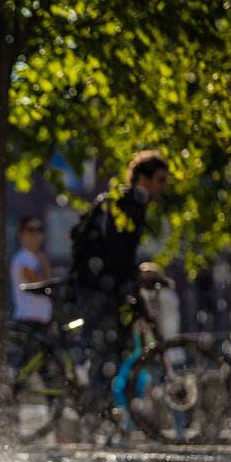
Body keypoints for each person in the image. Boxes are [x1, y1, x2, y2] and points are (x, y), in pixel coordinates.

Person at [70, 150, 170, 435]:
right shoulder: (128, 201)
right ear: (142, 178)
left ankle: (102, 411)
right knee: (104, 347)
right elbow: (116, 250)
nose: (164, 186)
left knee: (116, 346)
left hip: (103, 284)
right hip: (96, 285)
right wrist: (136, 274)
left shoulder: (131, 202)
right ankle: (95, 414)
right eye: (160, 179)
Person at [10, 216, 53, 328]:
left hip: (42, 320)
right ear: (21, 234)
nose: (35, 234)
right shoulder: (22, 258)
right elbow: (43, 287)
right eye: (31, 230)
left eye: (39, 230)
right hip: (28, 321)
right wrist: (45, 266)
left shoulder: (37, 258)